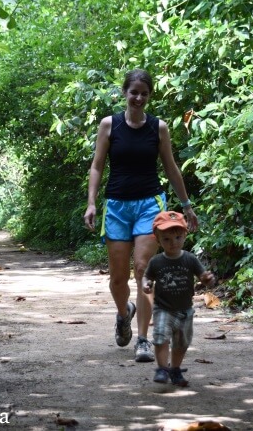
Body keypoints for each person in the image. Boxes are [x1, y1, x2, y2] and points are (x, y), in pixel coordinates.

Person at [84, 68, 199, 363]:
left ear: (149, 96)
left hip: (150, 203)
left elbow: (171, 167)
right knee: (118, 277)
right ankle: (124, 314)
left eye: (144, 94)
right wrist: (92, 202)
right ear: (125, 93)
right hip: (118, 205)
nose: (138, 98)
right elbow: (97, 166)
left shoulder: (158, 128)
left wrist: (186, 205)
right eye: (133, 92)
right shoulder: (109, 125)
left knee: (143, 268)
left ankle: (144, 340)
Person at [142, 211, 214, 386]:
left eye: (177, 237)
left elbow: (203, 276)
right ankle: (162, 368)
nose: (173, 243)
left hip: (184, 310)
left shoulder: (189, 259)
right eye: (166, 239)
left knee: (181, 344)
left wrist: (208, 279)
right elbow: (147, 276)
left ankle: (175, 369)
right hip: (163, 308)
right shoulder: (157, 261)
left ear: (184, 236)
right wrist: (146, 284)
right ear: (158, 240)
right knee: (160, 338)